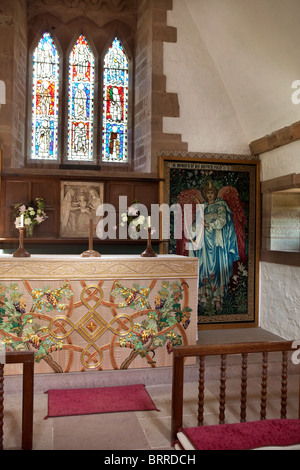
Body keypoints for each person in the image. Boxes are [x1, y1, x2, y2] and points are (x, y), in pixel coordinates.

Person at [191, 181, 240, 311]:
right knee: (204, 267)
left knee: (218, 269)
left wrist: (210, 225)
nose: (210, 195)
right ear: (205, 194)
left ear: (215, 193)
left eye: (212, 192)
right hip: (204, 244)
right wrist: (193, 229)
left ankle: (218, 299)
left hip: (217, 242)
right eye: (208, 193)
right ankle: (204, 299)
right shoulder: (202, 207)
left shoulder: (221, 205)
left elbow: (223, 221)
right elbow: (197, 223)